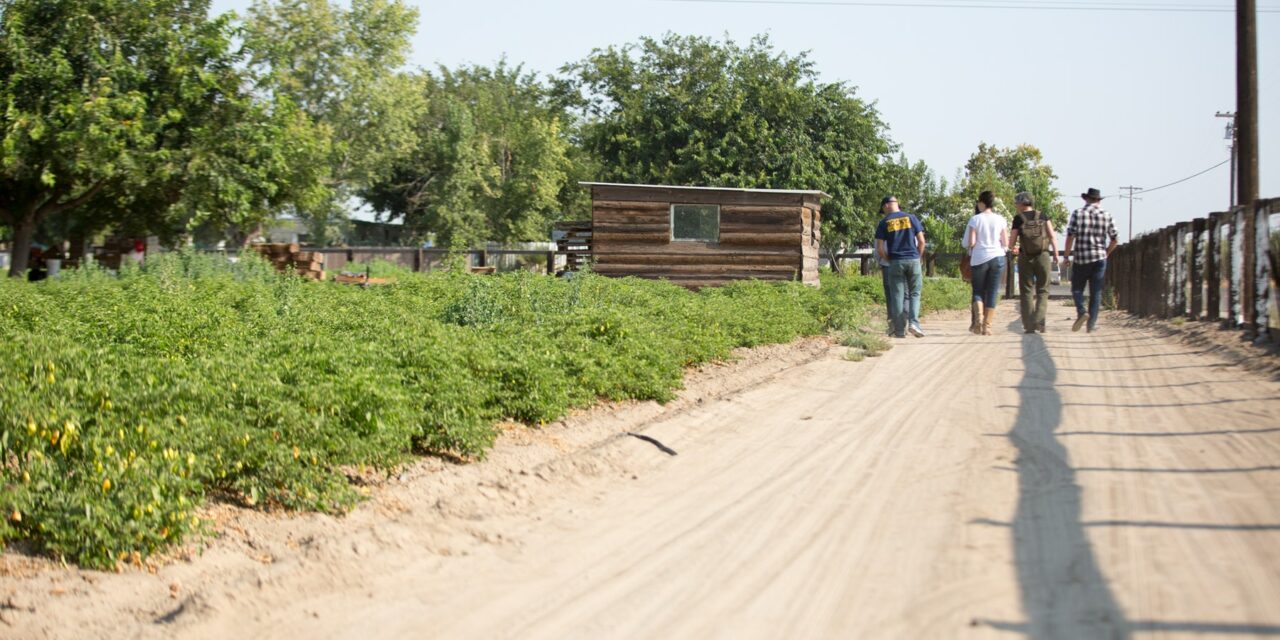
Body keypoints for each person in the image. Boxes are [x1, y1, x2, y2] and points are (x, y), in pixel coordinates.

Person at [1063, 187, 1118, 332]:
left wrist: (1067, 256)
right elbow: (1114, 239)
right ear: (1098, 200)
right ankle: (1091, 325)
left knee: (1076, 289)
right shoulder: (1107, 215)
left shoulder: (1078, 213)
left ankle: (1082, 312)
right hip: (1100, 258)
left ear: (1086, 199)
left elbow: (1070, 236)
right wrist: (1106, 253)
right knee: (1096, 292)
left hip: (1081, 258)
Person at [874, 195, 926, 338]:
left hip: (895, 261)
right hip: (913, 260)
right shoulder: (912, 218)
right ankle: (914, 323)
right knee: (914, 293)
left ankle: (899, 331)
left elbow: (879, 248)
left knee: (896, 296)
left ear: (886, 206)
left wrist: (888, 259)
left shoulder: (884, 222)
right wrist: (918, 257)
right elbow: (921, 241)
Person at [1009, 191, 1060, 333]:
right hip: (1043, 255)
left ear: (1021, 203)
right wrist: (1055, 253)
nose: (1015, 205)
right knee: (1043, 290)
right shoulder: (1042, 216)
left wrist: (1012, 249)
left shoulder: (1018, 219)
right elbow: (1052, 235)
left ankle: (1029, 325)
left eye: (1016, 203)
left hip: (1025, 257)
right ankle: (1040, 321)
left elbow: (1012, 241)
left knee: (1026, 291)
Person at [964, 191, 1008, 335]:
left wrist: (970, 250)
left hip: (979, 258)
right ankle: (987, 326)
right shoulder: (1001, 219)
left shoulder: (975, 219)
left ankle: (978, 320)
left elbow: (971, 242)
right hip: (997, 257)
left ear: (982, 203)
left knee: (977, 290)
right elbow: (1005, 242)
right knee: (993, 291)